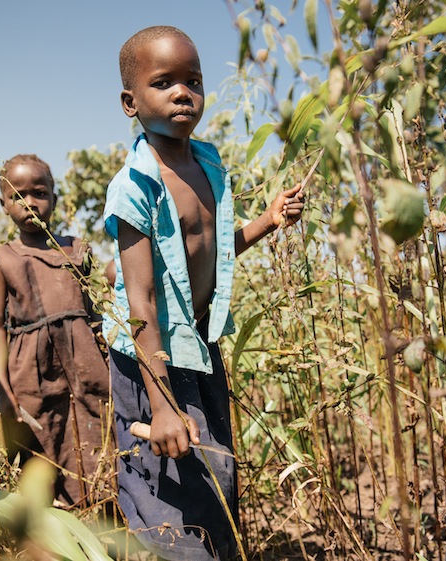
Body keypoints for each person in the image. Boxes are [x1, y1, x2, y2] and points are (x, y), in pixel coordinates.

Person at [103, 26, 305, 560]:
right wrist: (164, 404)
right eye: (163, 82)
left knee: (215, 478)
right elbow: (140, 304)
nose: (182, 93)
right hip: (151, 361)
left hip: (199, 348)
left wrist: (267, 220)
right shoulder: (135, 185)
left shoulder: (210, 167)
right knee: (164, 494)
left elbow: (208, 254)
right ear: (131, 102)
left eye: (192, 80)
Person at [0, 154, 110, 507]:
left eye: (39, 193)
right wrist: (3, 387)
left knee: (95, 445)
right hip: (31, 374)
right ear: (4, 205)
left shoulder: (77, 250)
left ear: (55, 197)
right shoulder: (2, 258)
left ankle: (101, 532)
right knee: (41, 455)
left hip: (86, 365)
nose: (29, 204)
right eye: (17, 196)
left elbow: (95, 312)